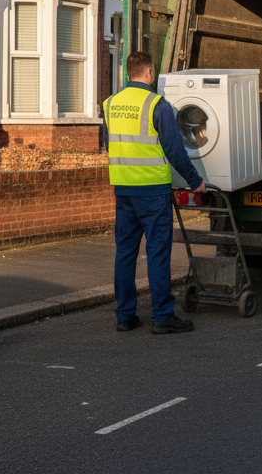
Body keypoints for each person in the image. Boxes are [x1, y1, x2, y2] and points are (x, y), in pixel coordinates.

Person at [102, 51, 206, 334]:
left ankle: (125, 316)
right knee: (157, 252)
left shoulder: (110, 104)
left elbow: (111, 143)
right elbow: (174, 150)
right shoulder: (156, 104)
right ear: (149, 73)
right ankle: (162, 316)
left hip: (124, 191)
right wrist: (195, 180)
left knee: (125, 253)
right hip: (152, 191)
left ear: (128, 72)